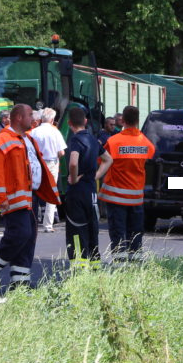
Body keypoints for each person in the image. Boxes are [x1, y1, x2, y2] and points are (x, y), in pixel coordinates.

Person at [0, 104, 58, 290]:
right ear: (18, 118)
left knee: (29, 237)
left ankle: (20, 282)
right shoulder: (0, 141)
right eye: (30, 115)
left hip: (31, 196)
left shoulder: (28, 138)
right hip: (14, 198)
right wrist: (0, 198)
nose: (34, 118)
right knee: (20, 234)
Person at [98, 105, 155, 260]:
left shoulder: (113, 141)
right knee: (135, 233)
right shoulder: (145, 142)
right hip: (136, 198)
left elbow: (101, 161)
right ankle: (135, 265)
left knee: (118, 233)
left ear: (122, 120)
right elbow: (150, 159)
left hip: (116, 196)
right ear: (137, 120)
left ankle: (119, 264)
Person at [64, 106, 101, 268]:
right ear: (85, 121)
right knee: (92, 228)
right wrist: (95, 175)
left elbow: (73, 162)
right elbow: (108, 159)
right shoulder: (93, 139)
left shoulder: (75, 140)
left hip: (77, 192)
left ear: (69, 123)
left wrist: (72, 178)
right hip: (91, 192)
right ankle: (95, 266)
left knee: (77, 229)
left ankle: (79, 266)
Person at [29, 107, 67, 231]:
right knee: (51, 193)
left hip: (36, 163)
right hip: (51, 163)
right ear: (52, 119)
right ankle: (48, 224)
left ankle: (33, 221)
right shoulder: (55, 132)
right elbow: (61, 152)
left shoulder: (34, 132)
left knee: (35, 191)